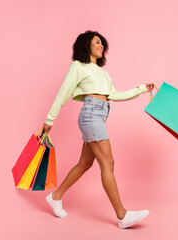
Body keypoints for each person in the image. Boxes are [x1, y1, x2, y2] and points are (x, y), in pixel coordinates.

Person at [43, 30, 154, 229]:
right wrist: (50, 119)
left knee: (85, 164)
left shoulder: (103, 72)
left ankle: (55, 196)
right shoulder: (78, 66)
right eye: (97, 42)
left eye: (103, 43)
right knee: (108, 163)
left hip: (100, 115)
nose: (101, 45)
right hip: (91, 115)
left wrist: (141, 89)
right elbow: (63, 92)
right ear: (86, 45)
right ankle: (122, 216)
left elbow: (114, 95)